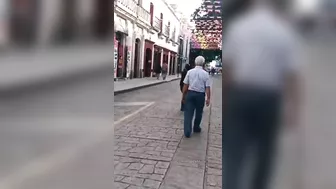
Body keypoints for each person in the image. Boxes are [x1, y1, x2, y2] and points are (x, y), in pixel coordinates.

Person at [222, 0, 301, 189]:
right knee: (265, 154)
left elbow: (229, 69)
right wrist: (293, 108)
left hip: (241, 95)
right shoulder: (283, 30)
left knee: (234, 153)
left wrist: (226, 101)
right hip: (269, 98)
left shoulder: (238, 28)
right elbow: (292, 74)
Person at [181, 56, 211, 138]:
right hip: (200, 95)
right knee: (199, 112)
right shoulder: (205, 74)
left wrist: (183, 96)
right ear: (203, 63)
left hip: (190, 94)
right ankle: (196, 127)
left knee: (188, 113)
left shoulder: (190, 72)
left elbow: (185, 85)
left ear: (195, 62)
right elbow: (207, 87)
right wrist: (208, 98)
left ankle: (187, 131)